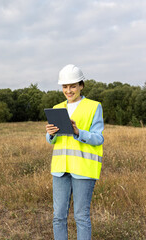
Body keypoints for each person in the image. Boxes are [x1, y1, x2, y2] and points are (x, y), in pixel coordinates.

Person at [45, 64, 104, 240]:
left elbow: (98, 138)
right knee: (58, 217)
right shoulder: (56, 108)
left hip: (83, 170)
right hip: (60, 169)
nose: (68, 90)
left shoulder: (94, 107)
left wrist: (79, 132)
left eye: (72, 86)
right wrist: (50, 134)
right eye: (65, 86)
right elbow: (52, 141)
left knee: (81, 217)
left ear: (81, 86)